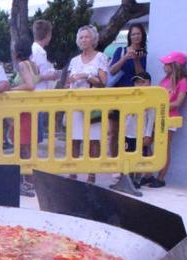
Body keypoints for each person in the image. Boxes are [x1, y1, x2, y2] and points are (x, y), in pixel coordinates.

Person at [65, 25, 108, 183]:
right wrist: (72, 80)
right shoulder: (74, 60)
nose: (83, 40)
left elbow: (103, 82)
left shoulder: (101, 57)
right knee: (74, 138)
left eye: (86, 37)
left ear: (93, 39)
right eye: (81, 37)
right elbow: (68, 80)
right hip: (75, 103)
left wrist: (86, 76)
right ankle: (73, 172)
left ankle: (91, 174)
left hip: (94, 104)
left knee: (93, 139)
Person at [141, 51, 187, 188]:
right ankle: (148, 174)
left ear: (175, 65)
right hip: (155, 118)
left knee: (164, 148)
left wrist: (161, 107)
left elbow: (179, 102)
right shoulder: (164, 80)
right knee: (147, 143)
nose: (163, 66)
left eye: (166, 64)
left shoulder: (183, 81)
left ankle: (161, 178)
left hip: (169, 119)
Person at [107, 23, 147, 157]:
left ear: (142, 36)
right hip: (118, 96)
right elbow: (112, 71)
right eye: (133, 34)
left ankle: (126, 162)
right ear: (129, 36)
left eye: (138, 34)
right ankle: (114, 163)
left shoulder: (145, 54)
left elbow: (142, 77)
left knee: (129, 132)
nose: (136, 36)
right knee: (113, 132)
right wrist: (125, 58)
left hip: (134, 97)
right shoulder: (120, 50)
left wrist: (136, 60)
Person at [111, 72, 155, 191]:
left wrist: (147, 135)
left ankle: (137, 180)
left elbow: (151, 119)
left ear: (149, 83)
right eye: (137, 82)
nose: (139, 84)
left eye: (143, 82)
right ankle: (127, 178)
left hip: (140, 134)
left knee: (140, 157)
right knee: (126, 156)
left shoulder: (150, 99)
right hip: (127, 133)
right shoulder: (130, 97)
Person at [11, 43, 40, 197]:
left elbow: (30, 85)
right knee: (28, 145)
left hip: (23, 111)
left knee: (23, 146)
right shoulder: (34, 64)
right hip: (29, 109)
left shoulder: (22, 65)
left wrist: (11, 90)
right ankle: (29, 179)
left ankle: (28, 180)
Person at [30, 20, 60, 144]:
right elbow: (35, 75)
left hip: (36, 97)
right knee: (35, 136)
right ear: (48, 34)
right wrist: (51, 75)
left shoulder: (33, 49)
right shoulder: (39, 52)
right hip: (36, 97)